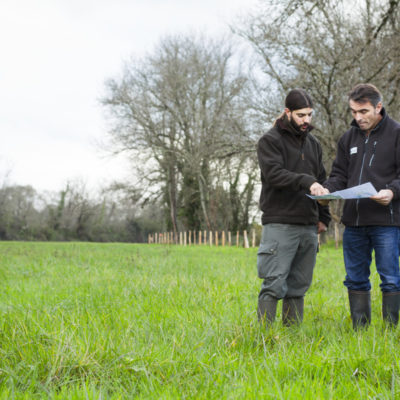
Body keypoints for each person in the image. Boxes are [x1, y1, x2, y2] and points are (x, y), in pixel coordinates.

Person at [319, 83, 400, 329]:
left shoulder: (397, 133)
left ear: (378, 107)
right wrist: (327, 190)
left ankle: (391, 332)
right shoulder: (348, 138)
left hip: (387, 221)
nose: (358, 117)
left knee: (391, 279)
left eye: (363, 111)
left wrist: (392, 191)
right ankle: (360, 332)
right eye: (354, 112)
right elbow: (339, 176)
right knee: (355, 279)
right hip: (353, 222)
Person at [257, 88, 331, 326]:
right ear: (287, 112)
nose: (306, 120)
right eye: (301, 115)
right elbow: (274, 175)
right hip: (280, 223)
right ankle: (264, 337)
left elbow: (321, 179)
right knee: (274, 282)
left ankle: (291, 338)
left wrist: (323, 216)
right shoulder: (269, 141)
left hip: (308, 225)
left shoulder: (314, 144)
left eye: (310, 115)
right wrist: (307, 181)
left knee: (298, 286)